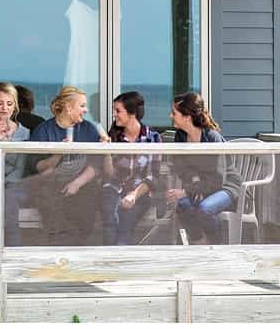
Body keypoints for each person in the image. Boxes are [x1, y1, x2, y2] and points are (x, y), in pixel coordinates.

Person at [27, 86, 108, 245]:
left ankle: (74, 251)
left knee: (86, 208)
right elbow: (38, 168)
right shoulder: (44, 130)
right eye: (82, 106)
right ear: (69, 107)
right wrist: (59, 154)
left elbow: (96, 165)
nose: (86, 110)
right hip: (51, 183)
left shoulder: (88, 129)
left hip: (82, 183)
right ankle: (60, 253)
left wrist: (77, 183)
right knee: (55, 214)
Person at [165, 92, 240, 245]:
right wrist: (195, 182)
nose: (170, 116)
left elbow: (218, 179)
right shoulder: (180, 136)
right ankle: (199, 242)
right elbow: (181, 167)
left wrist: (188, 191)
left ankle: (217, 246)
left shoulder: (212, 138)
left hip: (225, 188)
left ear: (187, 117)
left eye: (174, 113)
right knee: (183, 205)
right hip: (201, 187)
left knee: (205, 209)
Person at [99, 91, 162, 245]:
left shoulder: (152, 138)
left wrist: (133, 195)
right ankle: (110, 258)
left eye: (118, 110)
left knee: (126, 222)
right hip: (113, 189)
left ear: (132, 112)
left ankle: (119, 259)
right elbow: (109, 174)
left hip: (140, 193)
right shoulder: (113, 136)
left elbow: (153, 176)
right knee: (110, 219)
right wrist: (106, 151)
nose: (114, 114)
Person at [0, 82, 30, 246]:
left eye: (9, 104)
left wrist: (4, 148)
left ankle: (11, 252)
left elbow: (20, 169)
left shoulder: (24, 133)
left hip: (13, 184)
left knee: (9, 200)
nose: (4, 108)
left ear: (15, 106)